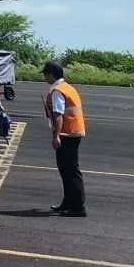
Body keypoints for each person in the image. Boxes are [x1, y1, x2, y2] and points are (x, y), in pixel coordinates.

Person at [42, 62, 86, 216]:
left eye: (45, 74)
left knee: (70, 171)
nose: (44, 77)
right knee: (66, 170)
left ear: (51, 74)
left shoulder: (57, 91)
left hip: (67, 135)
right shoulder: (68, 87)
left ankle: (78, 207)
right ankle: (68, 202)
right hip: (74, 132)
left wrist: (56, 136)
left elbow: (58, 115)